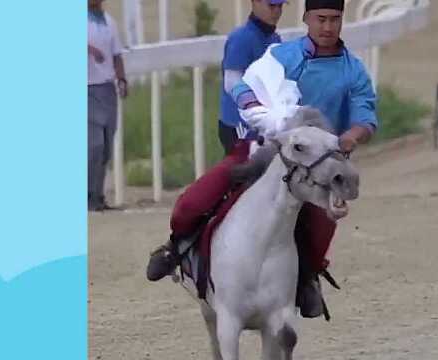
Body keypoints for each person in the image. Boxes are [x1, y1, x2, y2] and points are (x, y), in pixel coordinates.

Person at [146, 0, 378, 320]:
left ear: (342, 21)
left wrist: (350, 138)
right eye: (320, 19)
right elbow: (241, 85)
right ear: (307, 18)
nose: (327, 27)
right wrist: (257, 112)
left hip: (317, 167)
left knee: (324, 223)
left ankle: (307, 278)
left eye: (334, 19)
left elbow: (365, 116)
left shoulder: (354, 69)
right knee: (193, 201)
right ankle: (175, 248)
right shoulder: (283, 55)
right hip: (262, 149)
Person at [218, 0, 287, 155]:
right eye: (271, 6)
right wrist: (254, 108)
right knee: (241, 172)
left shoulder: (274, 38)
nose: (276, 11)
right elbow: (231, 82)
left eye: (280, 6)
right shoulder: (241, 38)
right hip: (239, 123)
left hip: (261, 124)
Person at [88, 0, 128, 211]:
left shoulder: (109, 22)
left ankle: (97, 195)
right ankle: (87, 195)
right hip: (86, 87)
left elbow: (117, 54)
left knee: (105, 146)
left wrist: (121, 79)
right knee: (93, 145)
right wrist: (89, 48)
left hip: (106, 87)